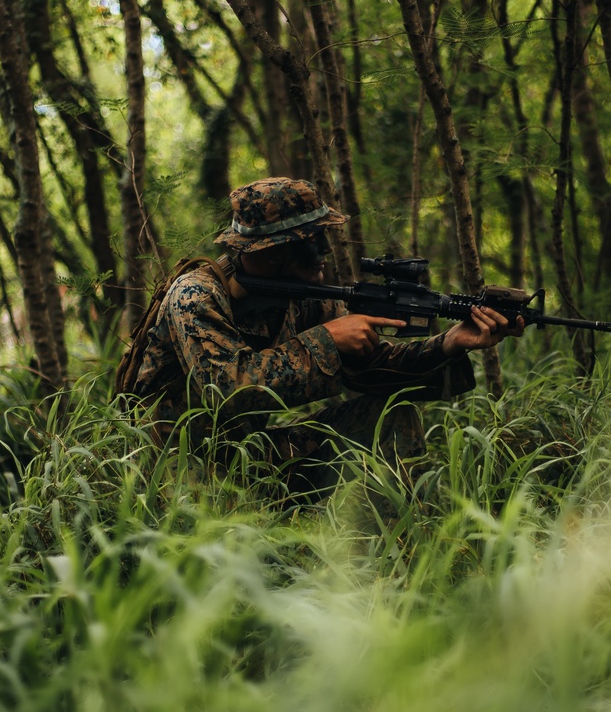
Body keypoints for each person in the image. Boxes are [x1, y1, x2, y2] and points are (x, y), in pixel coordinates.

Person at [124, 177, 520, 494]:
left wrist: (450, 342)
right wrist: (327, 340)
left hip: (248, 459)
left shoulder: (303, 297)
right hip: (175, 475)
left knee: (390, 414)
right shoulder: (196, 295)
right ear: (272, 252)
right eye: (313, 241)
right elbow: (227, 394)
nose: (326, 251)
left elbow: (373, 368)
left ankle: (391, 559)